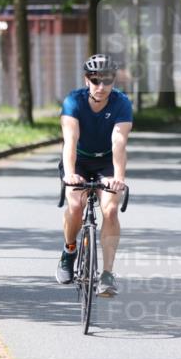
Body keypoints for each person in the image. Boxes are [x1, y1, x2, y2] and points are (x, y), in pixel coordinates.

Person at [56, 54, 133, 296]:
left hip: (106, 161)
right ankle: (69, 251)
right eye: (95, 80)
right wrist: (70, 174)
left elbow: (119, 141)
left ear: (114, 80)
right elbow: (70, 141)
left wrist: (118, 177)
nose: (101, 87)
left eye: (107, 81)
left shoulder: (122, 103)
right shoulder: (73, 101)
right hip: (78, 161)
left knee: (110, 209)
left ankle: (107, 274)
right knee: (76, 204)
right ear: (86, 80)